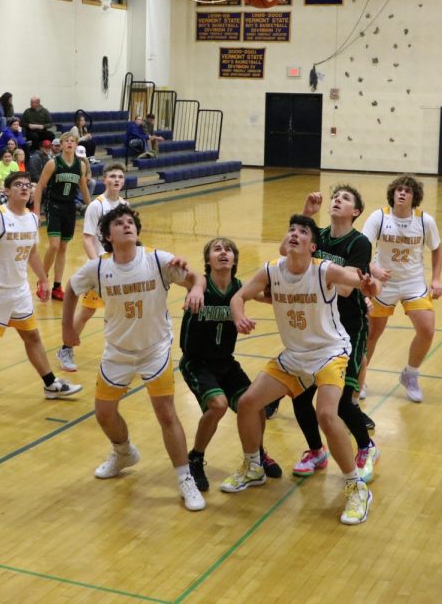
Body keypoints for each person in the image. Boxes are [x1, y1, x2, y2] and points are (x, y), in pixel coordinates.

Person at [224, 215, 379, 526]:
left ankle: (355, 487)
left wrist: (370, 283)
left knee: (326, 413)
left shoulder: (324, 270)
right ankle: (253, 466)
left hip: (330, 352)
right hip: (295, 356)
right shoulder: (271, 270)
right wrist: (239, 316)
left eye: (302, 232)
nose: (294, 234)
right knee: (247, 403)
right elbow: (238, 296)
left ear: (313, 245)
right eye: (291, 230)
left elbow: (364, 285)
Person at [60, 203, 208, 512]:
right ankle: (124, 451)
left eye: (131, 222)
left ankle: (185, 478)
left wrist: (196, 289)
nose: (127, 225)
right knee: (103, 413)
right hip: (118, 351)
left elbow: (196, 277)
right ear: (108, 236)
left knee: (166, 413)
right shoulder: (98, 267)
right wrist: (68, 330)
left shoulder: (157, 259)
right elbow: (71, 289)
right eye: (119, 223)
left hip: (154, 349)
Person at [0, 170, 83, 408]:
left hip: (19, 291)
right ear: (7, 191)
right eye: (18, 185)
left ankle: (50, 384)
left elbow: (31, 252)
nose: (24, 188)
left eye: (28, 185)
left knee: (32, 336)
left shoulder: (32, 218)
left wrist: (42, 279)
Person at [179, 236, 284, 492]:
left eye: (228, 250)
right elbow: (189, 276)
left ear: (235, 259)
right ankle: (195, 457)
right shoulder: (199, 286)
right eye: (217, 249)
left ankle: (256, 455)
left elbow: (270, 296)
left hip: (226, 363)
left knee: (255, 404)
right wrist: (194, 286)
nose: (223, 252)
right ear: (208, 260)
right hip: (197, 363)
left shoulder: (239, 288)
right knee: (218, 405)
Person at [293, 186, 381, 478]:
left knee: (341, 401)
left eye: (345, 198)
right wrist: (305, 215)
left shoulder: (359, 243)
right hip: (318, 326)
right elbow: (288, 252)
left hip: (349, 327)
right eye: (335, 197)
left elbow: (344, 289)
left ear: (355, 212)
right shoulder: (317, 235)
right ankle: (317, 452)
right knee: (301, 395)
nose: (336, 200)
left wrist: (315, 273)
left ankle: (366, 446)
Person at [358, 174, 442, 404]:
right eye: (398, 190)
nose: (402, 193)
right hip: (383, 283)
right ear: (393, 194)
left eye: (407, 190)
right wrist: (373, 269)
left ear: (414, 196)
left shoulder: (425, 221)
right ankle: (360, 378)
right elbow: (360, 249)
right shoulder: (379, 217)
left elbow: (437, 248)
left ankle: (410, 374)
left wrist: (436, 279)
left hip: (413, 281)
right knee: (372, 333)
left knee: (426, 329)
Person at [55, 162, 126, 372]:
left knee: (121, 312)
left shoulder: (125, 205)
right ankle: (66, 348)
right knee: (86, 312)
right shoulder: (97, 206)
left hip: (120, 268)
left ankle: (119, 353)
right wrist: (99, 266)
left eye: (120, 177)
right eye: (112, 176)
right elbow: (87, 239)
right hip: (100, 268)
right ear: (104, 179)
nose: (116, 180)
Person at [33, 133, 91, 300]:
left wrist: (92, 207)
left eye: (73, 141)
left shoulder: (80, 165)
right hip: (54, 206)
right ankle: (42, 280)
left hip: (69, 207)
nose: (70, 143)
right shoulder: (53, 163)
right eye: (66, 141)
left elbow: (84, 188)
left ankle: (57, 287)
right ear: (61, 144)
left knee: (63, 248)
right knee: (54, 246)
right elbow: (40, 186)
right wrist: (37, 210)